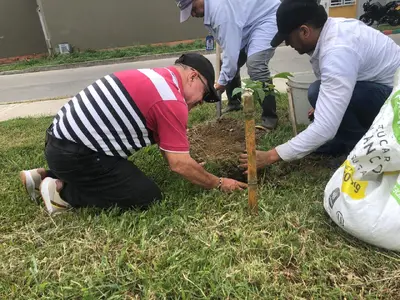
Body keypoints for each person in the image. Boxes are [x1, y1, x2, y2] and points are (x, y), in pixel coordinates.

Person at [20, 53, 247, 215]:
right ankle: (62, 194)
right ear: (193, 77)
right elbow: (179, 165)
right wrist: (217, 182)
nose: (199, 103)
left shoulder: (156, 77)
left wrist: (188, 162)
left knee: (111, 169)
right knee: (146, 197)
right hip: (76, 155)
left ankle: (43, 174)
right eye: (204, 94)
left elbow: (171, 151)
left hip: (59, 143)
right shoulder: (170, 99)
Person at [239, 0, 400, 170]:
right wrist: (323, 106)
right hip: (382, 89)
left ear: (304, 31)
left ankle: (357, 152)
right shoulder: (332, 31)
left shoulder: (337, 51)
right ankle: (341, 141)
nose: (287, 44)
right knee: (317, 91)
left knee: (328, 98)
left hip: (395, 105)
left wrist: (271, 155)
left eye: (287, 38)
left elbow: (325, 127)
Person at [175, 0, 280, 130]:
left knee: (255, 65)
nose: (192, 14)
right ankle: (234, 102)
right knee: (227, 64)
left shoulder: (220, 13)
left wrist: (222, 82)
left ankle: (270, 118)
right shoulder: (212, 10)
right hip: (247, 22)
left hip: (266, 17)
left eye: (192, 8)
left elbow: (231, 53)